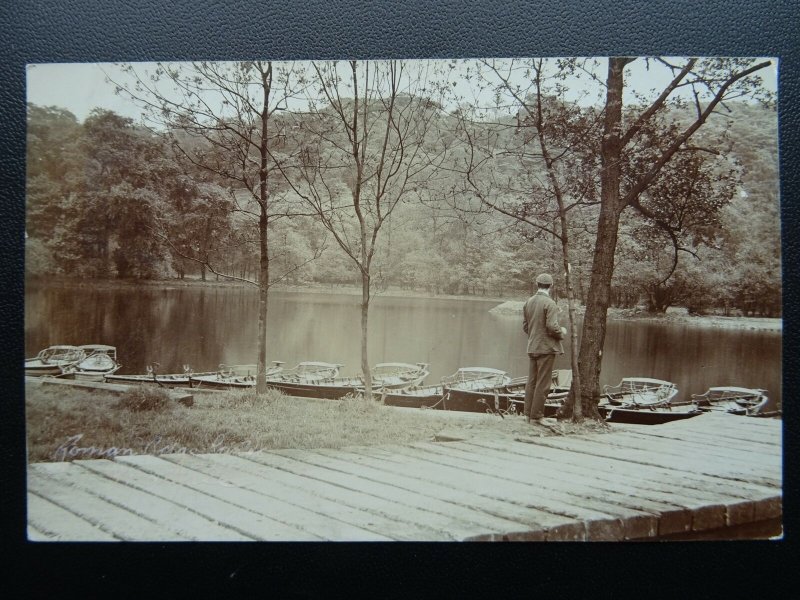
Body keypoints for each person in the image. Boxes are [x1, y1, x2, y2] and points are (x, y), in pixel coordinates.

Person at [522, 273, 566, 422]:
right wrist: (562, 332)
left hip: (532, 347)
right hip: (546, 349)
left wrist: (535, 336)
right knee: (543, 383)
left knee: (532, 382)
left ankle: (527, 414)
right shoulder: (550, 303)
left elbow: (525, 326)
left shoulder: (528, 302)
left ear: (537, 284)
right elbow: (552, 327)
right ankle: (537, 416)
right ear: (551, 286)